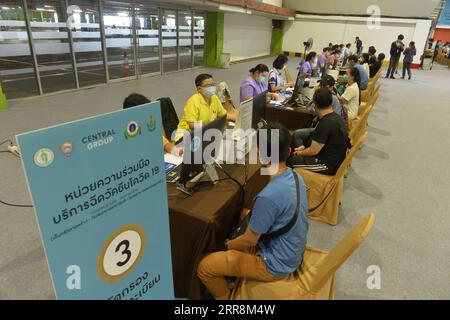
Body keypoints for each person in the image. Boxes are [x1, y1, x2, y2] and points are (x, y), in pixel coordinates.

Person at [197, 123, 309, 300]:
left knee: (204, 267)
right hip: (293, 252)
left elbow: (249, 240)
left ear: (259, 153)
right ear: (288, 151)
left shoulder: (267, 197)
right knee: (245, 217)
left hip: (274, 265)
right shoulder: (297, 177)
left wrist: (227, 245)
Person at [288, 88, 350, 176]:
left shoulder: (325, 124)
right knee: (296, 153)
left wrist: (300, 153)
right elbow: (319, 144)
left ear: (315, 104)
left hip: (328, 165)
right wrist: (304, 148)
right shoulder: (335, 117)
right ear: (331, 103)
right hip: (334, 159)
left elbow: (313, 151)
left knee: (290, 161)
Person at [175, 74, 236, 141]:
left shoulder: (214, 98)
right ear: (199, 89)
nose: (212, 87)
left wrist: (239, 119)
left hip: (205, 133)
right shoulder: (193, 101)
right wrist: (212, 128)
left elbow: (224, 115)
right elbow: (192, 125)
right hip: (186, 136)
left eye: (213, 84)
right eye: (208, 86)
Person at [293, 75, 345, 147]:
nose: (322, 88)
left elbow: (310, 109)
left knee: (298, 133)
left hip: (325, 130)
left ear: (331, 87)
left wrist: (316, 93)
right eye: (321, 86)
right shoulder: (330, 95)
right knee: (303, 124)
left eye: (325, 86)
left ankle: (299, 155)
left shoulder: (330, 98)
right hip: (325, 126)